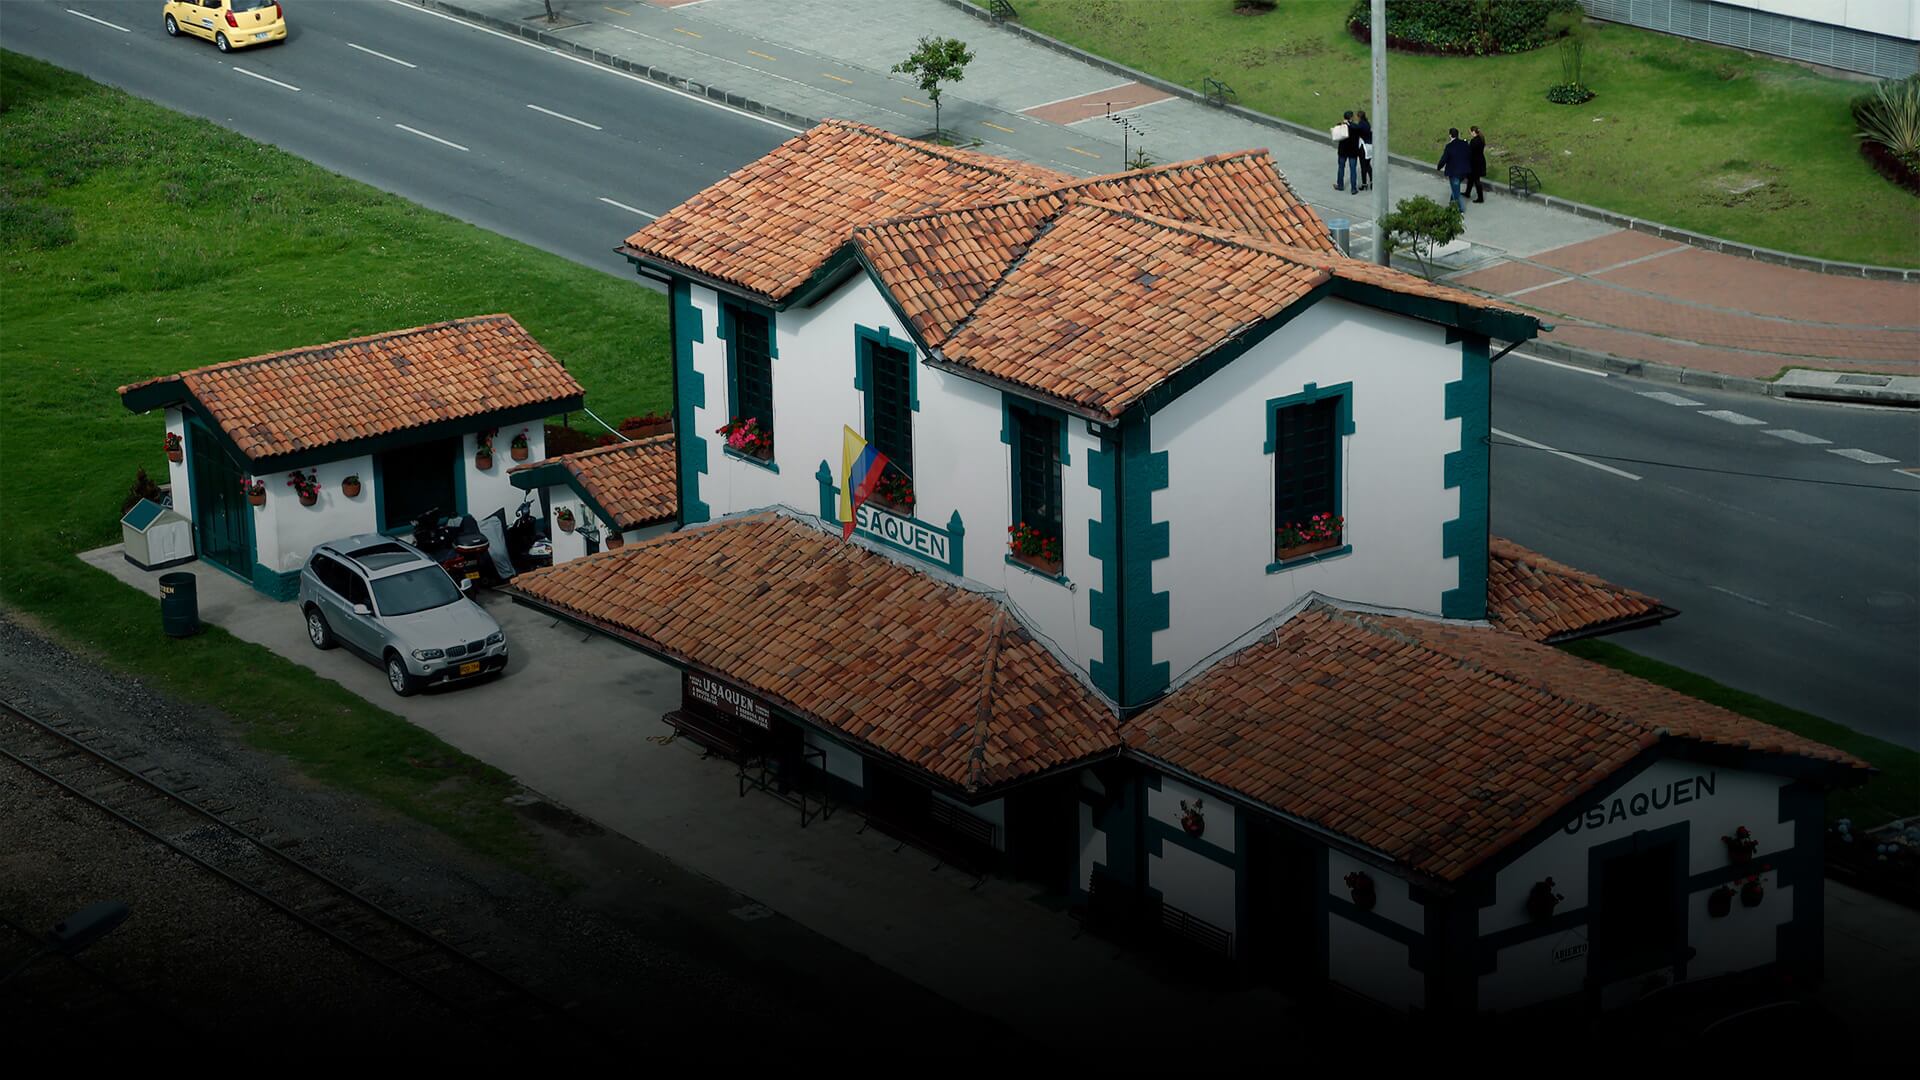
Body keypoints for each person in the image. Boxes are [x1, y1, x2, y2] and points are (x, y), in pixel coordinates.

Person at [1437, 128, 1472, 213]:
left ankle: (1461, 210)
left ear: (1450, 135)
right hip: (1464, 171)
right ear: (1458, 134)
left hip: (1454, 172)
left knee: (1456, 193)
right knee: (1455, 188)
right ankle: (1451, 205)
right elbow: (1469, 154)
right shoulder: (1464, 143)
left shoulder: (1449, 146)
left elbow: (1444, 159)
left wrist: (1439, 167)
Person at [1334, 110, 1360, 192]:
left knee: (1341, 167)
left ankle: (1340, 185)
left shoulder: (1340, 126)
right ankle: (1353, 188)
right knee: (1353, 170)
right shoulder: (1355, 127)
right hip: (1353, 151)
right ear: (1351, 117)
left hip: (1343, 150)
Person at [1466, 125, 1488, 204]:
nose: (1470, 133)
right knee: (1471, 178)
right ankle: (1467, 193)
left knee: (1476, 180)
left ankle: (1480, 198)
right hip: (1480, 161)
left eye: (1471, 132)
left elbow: (1470, 151)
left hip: (1475, 163)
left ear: (1473, 132)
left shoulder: (1474, 141)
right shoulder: (1481, 139)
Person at [1354, 110, 1374, 192]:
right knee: (1368, 165)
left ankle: (1364, 184)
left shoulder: (1360, 125)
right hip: (1370, 146)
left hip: (1363, 147)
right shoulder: (1367, 124)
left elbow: (1356, 131)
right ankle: (1372, 182)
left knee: (1363, 166)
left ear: (1359, 117)